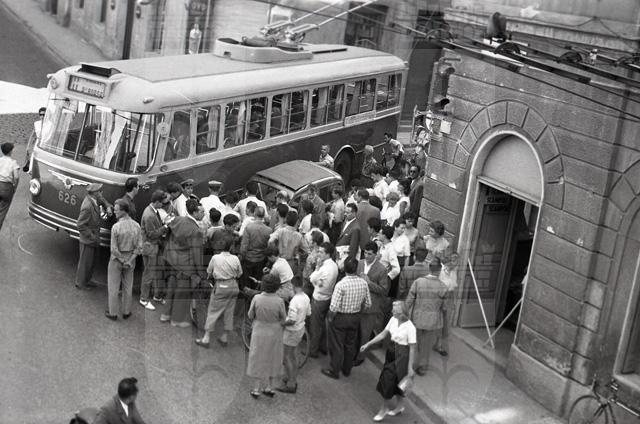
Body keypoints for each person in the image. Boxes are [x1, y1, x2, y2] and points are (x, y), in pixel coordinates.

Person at [360, 301, 417, 422]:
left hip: (402, 356)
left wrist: (410, 367)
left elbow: (412, 348)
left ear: (402, 313)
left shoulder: (410, 327)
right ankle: (400, 406)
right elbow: (383, 334)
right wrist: (368, 344)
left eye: (395, 311)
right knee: (397, 382)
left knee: (387, 381)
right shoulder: (393, 319)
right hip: (391, 351)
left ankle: (384, 409)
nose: (392, 312)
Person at [322, 258, 372, 379]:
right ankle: (347, 369)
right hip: (355, 317)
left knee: (337, 345)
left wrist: (330, 318)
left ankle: (334, 370)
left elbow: (333, 307)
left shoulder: (341, 285)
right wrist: (359, 313)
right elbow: (368, 304)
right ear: (356, 269)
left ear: (344, 269)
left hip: (340, 317)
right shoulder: (363, 283)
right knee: (350, 344)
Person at [162, 199, 205, 327]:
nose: (204, 214)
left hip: (172, 259)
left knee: (171, 288)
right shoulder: (196, 230)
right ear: (195, 213)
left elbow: (167, 227)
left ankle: (165, 314)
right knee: (182, 292)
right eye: (202, 212)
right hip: (186, 264)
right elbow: (197, 253)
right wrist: (200, 272)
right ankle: (177, 319)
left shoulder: (178, 220)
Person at [195, 237, 243, 348]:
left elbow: (209, 272)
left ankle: (206, 338)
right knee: (229, 312)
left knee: (213, 311)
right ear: (231, 247)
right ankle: (224, 337)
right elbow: (239, 273)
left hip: (221, 286)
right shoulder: (236, 258)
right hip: (234, 287)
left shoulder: (215, 258)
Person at [405, 258, 447, 375]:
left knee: (414, 342)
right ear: (439, 271)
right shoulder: (443, 286)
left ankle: (411, 364)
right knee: (426, 344)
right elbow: (444, 307)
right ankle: (422, 367)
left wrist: (404, 313)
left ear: (429, 269)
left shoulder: (418, 282)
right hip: (432, 320)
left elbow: (409, 300)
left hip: (417, 317)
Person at [247, 274, 287, 398]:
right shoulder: (279, 301)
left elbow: (250, 315)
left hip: (259, 331)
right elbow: (284, 318)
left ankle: (256, 388)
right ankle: (270, 387)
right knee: (273, 358)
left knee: (258, 357)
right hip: (275, 331)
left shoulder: (257, 298)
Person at [106, 200, 143, 321]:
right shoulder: (136, 226)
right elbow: (139, 247)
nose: (114, 211)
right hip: (131, 258)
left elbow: (114, 249)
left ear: (123, 211)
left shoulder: (116, 227)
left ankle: (113, 313)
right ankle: (126, 311)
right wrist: (130, 260)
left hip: (117, 259)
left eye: (116, 210)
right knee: (128, 286)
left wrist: (122, 260)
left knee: (113, 286)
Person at [354, 241, 389, 366]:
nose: (367, 256)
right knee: (355, 332)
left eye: (370, 254)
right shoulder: (359, 263)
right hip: (357, 303)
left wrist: (369, 283)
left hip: (371, 308)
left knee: (365, 333)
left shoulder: (382, 269)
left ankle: (361, 357)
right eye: (365, 253)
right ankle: (353, 353)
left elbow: (384, 290)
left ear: (376, 254)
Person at [277, 276, 311, 394]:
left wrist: (282, 323)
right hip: (301, 328)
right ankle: (290, 377)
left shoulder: (295, 301)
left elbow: (291, 320)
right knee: (294, 355)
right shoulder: (306, 297)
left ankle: (291, 384)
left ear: (293, 286)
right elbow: (308, 313)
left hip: (292, 331)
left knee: (286, 357)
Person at [75, 183, 112, 290]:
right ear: (95, 193)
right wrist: (92, 236)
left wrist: (108, 207)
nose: (102, 193)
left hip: (94, 237)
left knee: (91, 262)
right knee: (85, 263)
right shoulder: (87, 207)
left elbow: (103, 200)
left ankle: (87, 280)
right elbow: (80, 225)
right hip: (88, 239)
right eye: (100, 191)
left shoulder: (94, 199)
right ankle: (80, 283)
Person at [139, 190, 169, 310]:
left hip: (152, 246)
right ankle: (144, 299)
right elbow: (151, 234)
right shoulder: (150, 215)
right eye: (162, 202)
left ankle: (156, 296)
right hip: (150, 247)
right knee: (148, 274)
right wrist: (165, 227)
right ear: (156, 202)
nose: (163, 204)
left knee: (153, 272)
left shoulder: (152, 210)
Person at [308, 242, 339, 357]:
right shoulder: (334, 265)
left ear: (328, 254)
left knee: (315, 326)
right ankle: (323, 347)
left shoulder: (324, 268)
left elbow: (312, 278)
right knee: (322, 324)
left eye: (321, 252)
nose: (318, 254)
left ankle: (313, 350)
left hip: (319, 298)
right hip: (328, 297)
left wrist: (317, 268)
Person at [239, 206, 272, 289]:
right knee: (257, 282)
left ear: (254, 214)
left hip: (248, 258)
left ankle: (247, 295)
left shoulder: (249, 228)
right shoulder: (268, 230)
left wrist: (241, 257)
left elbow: (244, 246)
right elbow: (269, 246)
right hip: (261, 259)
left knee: (247, 281)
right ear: (263, 215)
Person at [434, 252, 459, 356]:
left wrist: (454, 302)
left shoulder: (454, 271)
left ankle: (439, 345)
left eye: (457, 260)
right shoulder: (440, 270)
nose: (456, 263)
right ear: (449, 261)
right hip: (439, 298)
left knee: (445, 323)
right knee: (435, 321)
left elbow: (454, 288)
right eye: (454, 260)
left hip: (449, 297)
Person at [0, 143, 20, 232]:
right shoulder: (13, 163)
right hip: (7, 188)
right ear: (10, 151)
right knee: (2, 211)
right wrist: (15, 186)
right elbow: (16, 177)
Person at [335, 202, 360, 268]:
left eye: (348, 213)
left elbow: (353, 248)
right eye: (345, 212)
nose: (345, 214)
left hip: (345, 258)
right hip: (339, 254)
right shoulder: (346, 221)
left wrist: (349, 263)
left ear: (354, 213)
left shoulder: (355, 228)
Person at [302, 231, 325, 298]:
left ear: (314, 243)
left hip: (309, 284)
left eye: (310, 240)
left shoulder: (314, 256)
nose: (308, 241)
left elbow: (312, 271)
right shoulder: (321, 252)